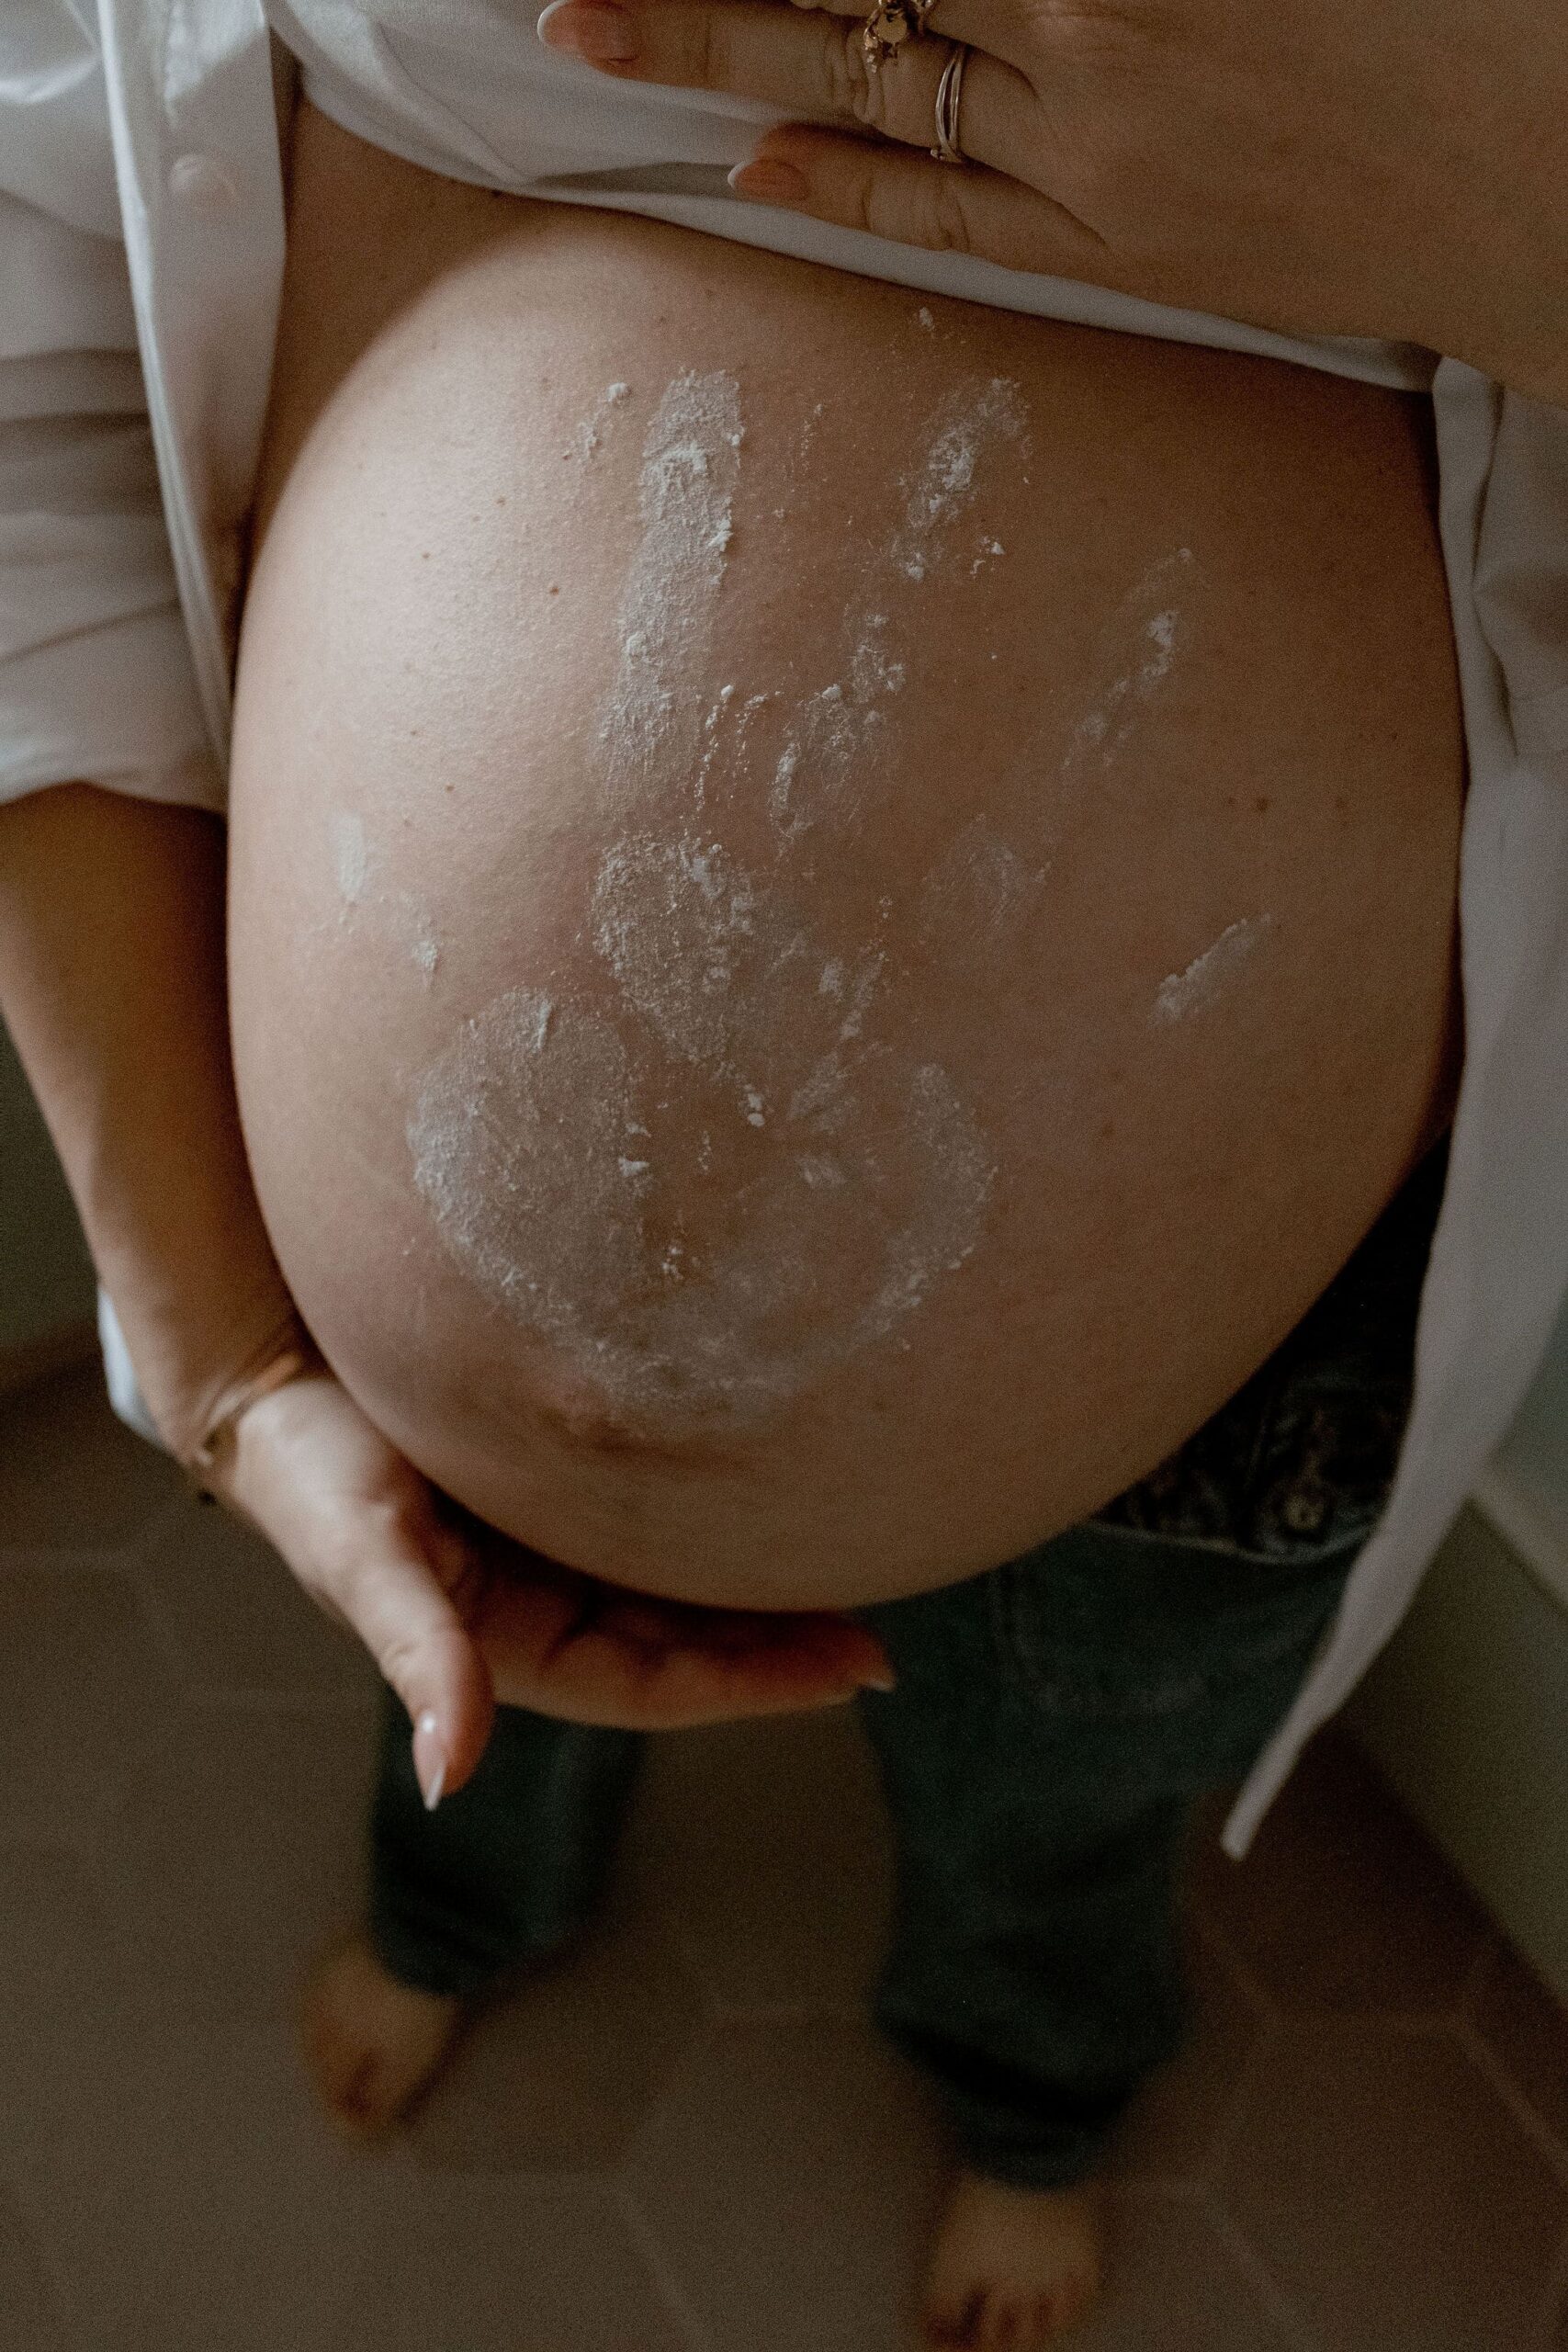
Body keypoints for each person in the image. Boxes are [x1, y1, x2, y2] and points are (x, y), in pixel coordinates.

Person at [1, 5, 1563, 2344]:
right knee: (454, 1735)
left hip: (1207, 1400)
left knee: (1060, 1811)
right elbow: (26, 410)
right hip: (391, 1402)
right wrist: (223, 1359)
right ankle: (462, 1917)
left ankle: (1025, 2097)